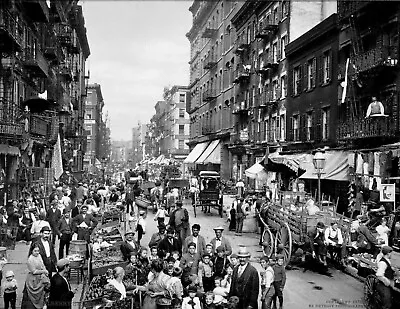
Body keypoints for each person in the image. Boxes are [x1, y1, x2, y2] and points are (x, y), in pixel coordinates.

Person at [21, 243, 51, 309]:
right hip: (33, 279)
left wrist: (45, 271)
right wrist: (43, 271)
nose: (37, 252)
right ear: (31, 251)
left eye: (38, 251)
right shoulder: (30, 259)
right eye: (35, 251)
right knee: (32, 298)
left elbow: (42, 265)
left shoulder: (39, 256)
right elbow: (34, 271)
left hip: (41, 277)